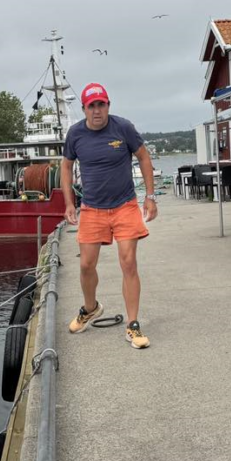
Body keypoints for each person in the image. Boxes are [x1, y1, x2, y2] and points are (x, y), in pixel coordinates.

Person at [61, 83, 157, 349]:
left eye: (101, 104)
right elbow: (66, 167)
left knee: (128, 262)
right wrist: (70, 203)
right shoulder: (75, 134)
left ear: (108, 106)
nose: (97, 111)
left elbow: (144, 157)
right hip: (92, 208)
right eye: (92, 106)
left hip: (125, 205)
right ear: (84, 109)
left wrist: (150, 196)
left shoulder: (123, 128)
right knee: (86, 265)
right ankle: (90, 308)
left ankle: (133, 325)